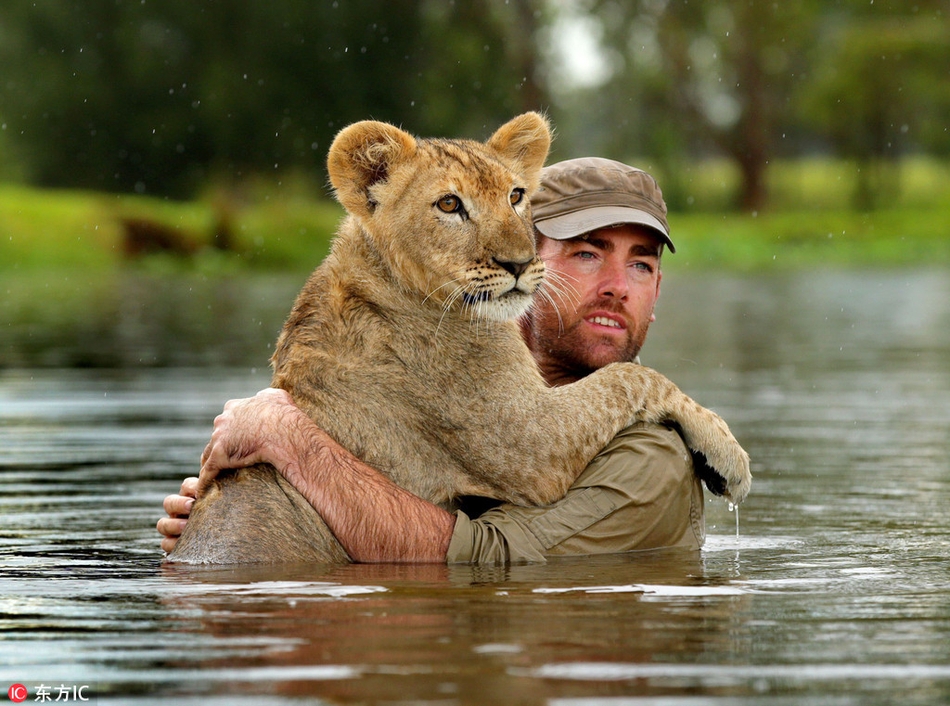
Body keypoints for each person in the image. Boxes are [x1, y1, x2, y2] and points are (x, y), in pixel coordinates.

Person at [158, 157, 717, 564]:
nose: (618, 286)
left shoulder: (655, 456)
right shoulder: (458, 400)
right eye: (587, 254)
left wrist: (291, 441)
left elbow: (482, 563)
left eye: (641, 265)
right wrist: (225, 509)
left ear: (659, 288)